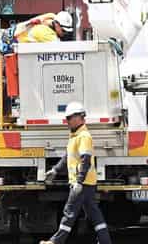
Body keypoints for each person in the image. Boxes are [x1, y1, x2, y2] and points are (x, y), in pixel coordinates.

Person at [40, 102, 111, 244]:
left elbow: (86, 160)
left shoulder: (83, 136)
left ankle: (55, 242)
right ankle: (105, 241)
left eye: (69, 118)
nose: (67, 121)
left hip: (82, 184)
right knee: (94, 214)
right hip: (85, 183)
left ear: (79, 117)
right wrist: (55, 170)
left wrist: (79, 181)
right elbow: (67, 157)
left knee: (69, 212)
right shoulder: (74, 136)